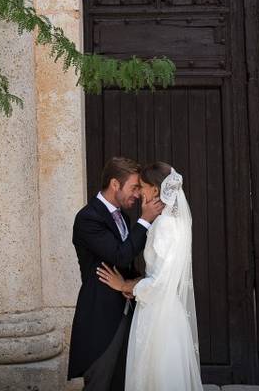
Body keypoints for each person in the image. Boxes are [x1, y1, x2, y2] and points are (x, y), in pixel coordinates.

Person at [97, 162, 202, 391]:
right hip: (169, 312)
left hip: (158, 315)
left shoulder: (164, 224)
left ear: (155, 190)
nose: (139, 192)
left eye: (142, 187)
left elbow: (160, 282)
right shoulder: (175, 222)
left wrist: (125, 284)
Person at [68, 157, 166, 390]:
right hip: (100, 316)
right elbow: (119, 255)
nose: (138, 194)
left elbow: (126, 264)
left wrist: (134, 284)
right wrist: (145, 220)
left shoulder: (123, 215)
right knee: (99, 382)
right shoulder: (88, 218)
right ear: (115, 184)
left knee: (120, 382)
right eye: (134, 187)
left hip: (126, 310)